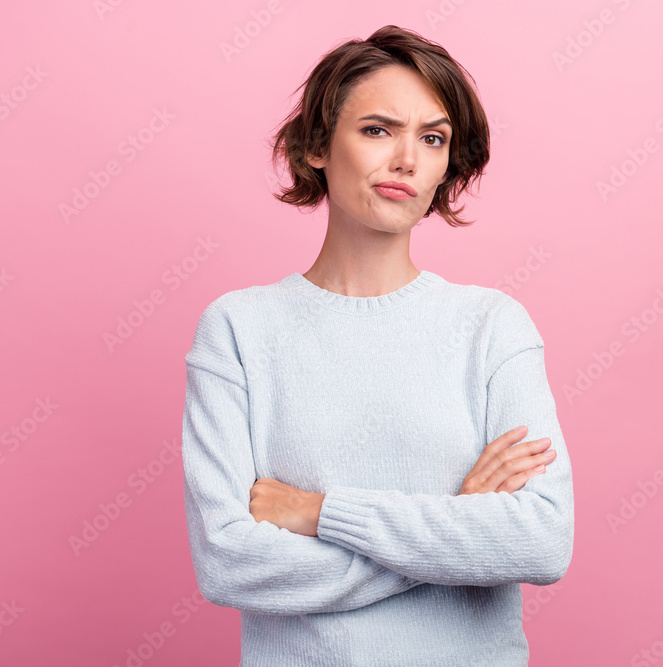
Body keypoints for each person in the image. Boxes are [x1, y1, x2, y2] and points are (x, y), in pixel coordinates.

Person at [181, 25, 574, 666]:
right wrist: (457, 526)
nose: (408, 161)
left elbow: (541, 541)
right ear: (316, 145)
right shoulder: (239, 330)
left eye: (433, 138)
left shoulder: (493, 327)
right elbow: (229, 562)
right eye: (377, 130)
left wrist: (322, 514)